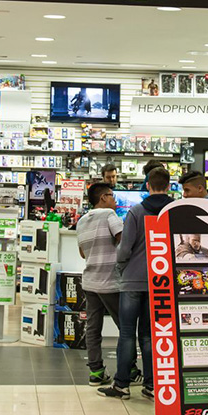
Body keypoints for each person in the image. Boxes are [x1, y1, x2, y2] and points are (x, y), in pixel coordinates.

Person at [99, 167, 173, 401]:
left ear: (148, 186)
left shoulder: (136, 211)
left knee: (127, 333)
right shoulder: (174, 211)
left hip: (132, 281)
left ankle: (122, 385)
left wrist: (121, 267)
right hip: (160, 282)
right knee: (150, 335)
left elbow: (125, 248)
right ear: (169, 185)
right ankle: (151, 385)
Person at [77, 182, 124, 386]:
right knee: (126, 327)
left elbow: (82, 253)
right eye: (112, 195)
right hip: (110, 281)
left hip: (90, 282)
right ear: (103, 197)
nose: (115, 200)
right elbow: (123, 241)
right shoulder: (109, 215)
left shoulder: (81, 221)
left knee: (93, 328)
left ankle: (96, 372)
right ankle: (130, 370)